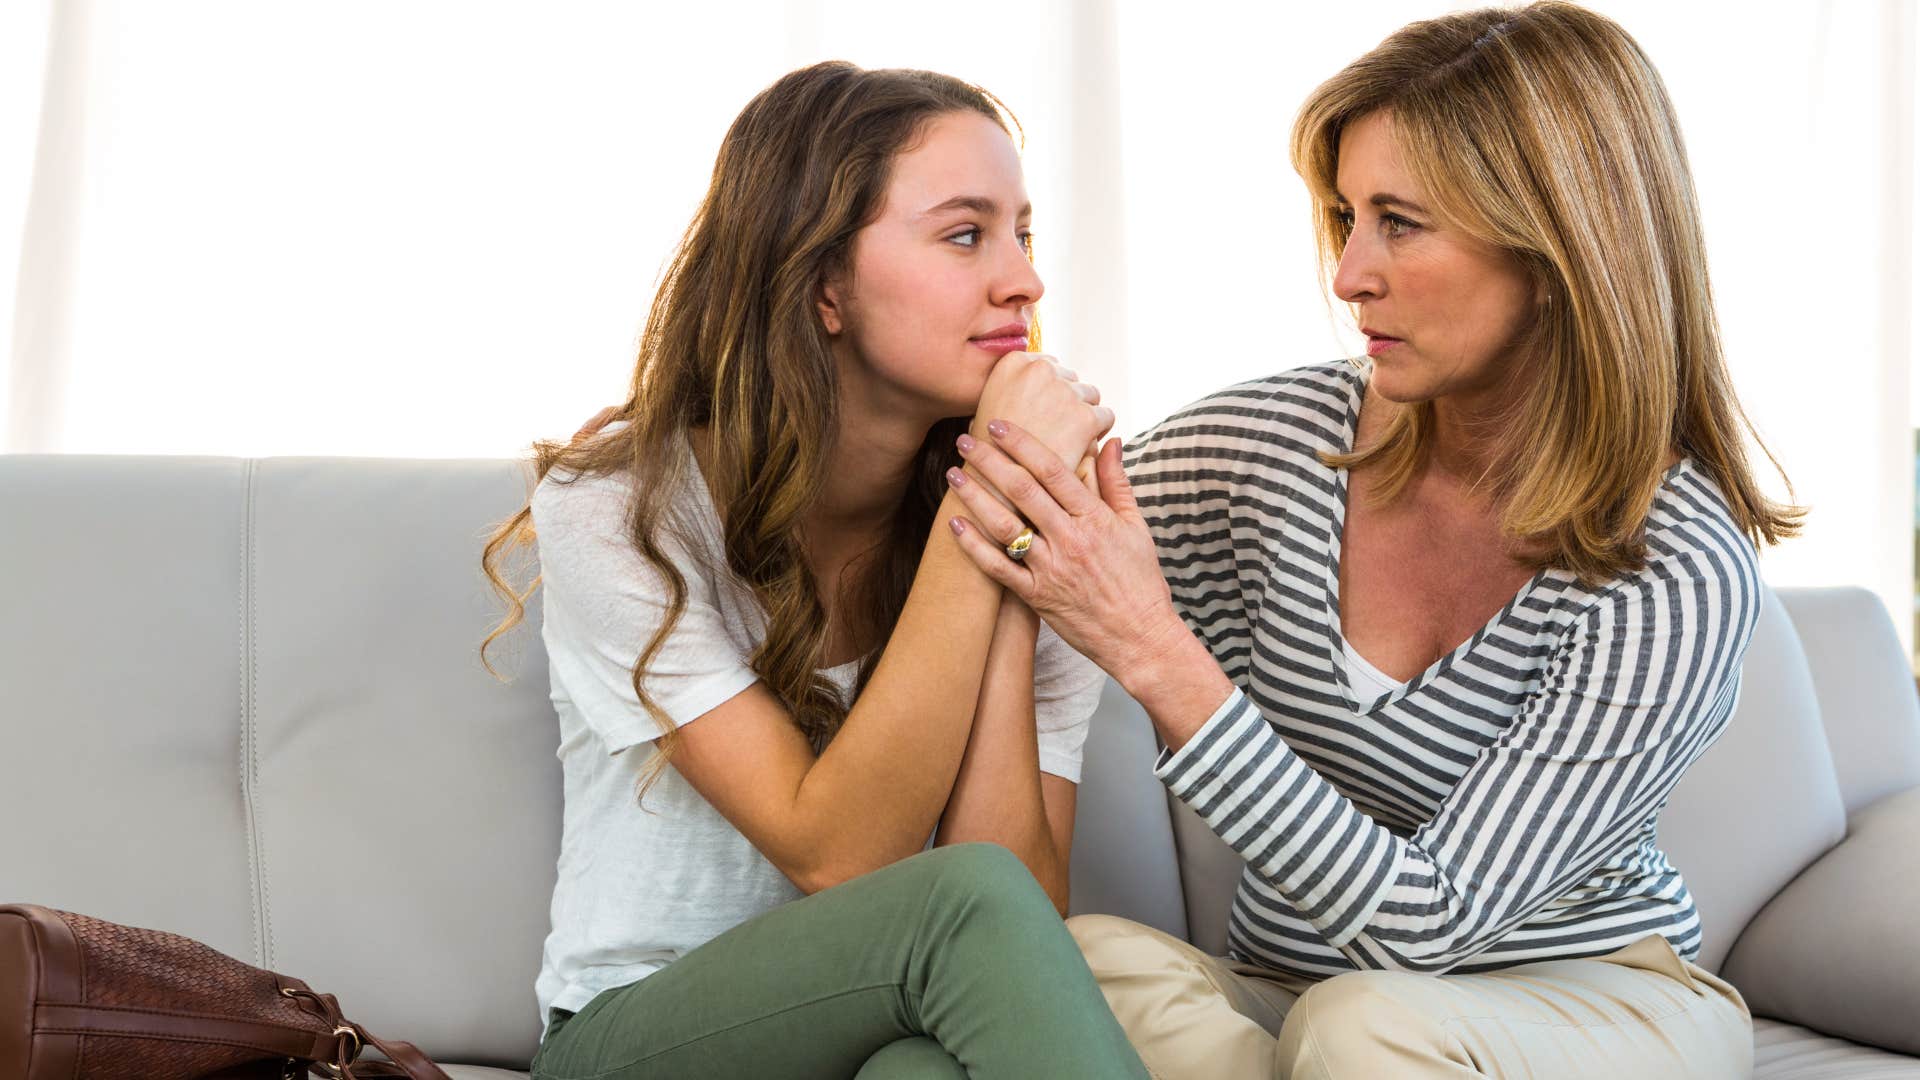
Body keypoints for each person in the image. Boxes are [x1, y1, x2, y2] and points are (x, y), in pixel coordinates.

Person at [939, 4, 1801, 1076]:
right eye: (1347, 217)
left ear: (1557, 249)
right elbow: (1028, 513)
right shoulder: (1277, 448)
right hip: (1294, 1001)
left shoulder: (1675, 565)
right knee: (1080, 962)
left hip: (1587, 1004)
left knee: (1365, 1027)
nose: (1348, 274)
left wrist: (1152, 650)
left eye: (1401, 221)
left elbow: (1428, 929)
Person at [479, 61, 1148, 1080]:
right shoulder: (621, 507)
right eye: (966, 234)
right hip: (637, 1041)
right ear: (825, 283)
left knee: (922, 1072)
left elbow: (1020, 900)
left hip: (879, 1037)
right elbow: (840, 854)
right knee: (954, 905)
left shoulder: (1029, 513)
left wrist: (1018, 561)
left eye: (1022, 232)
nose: (1023, 279)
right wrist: (989, 515)